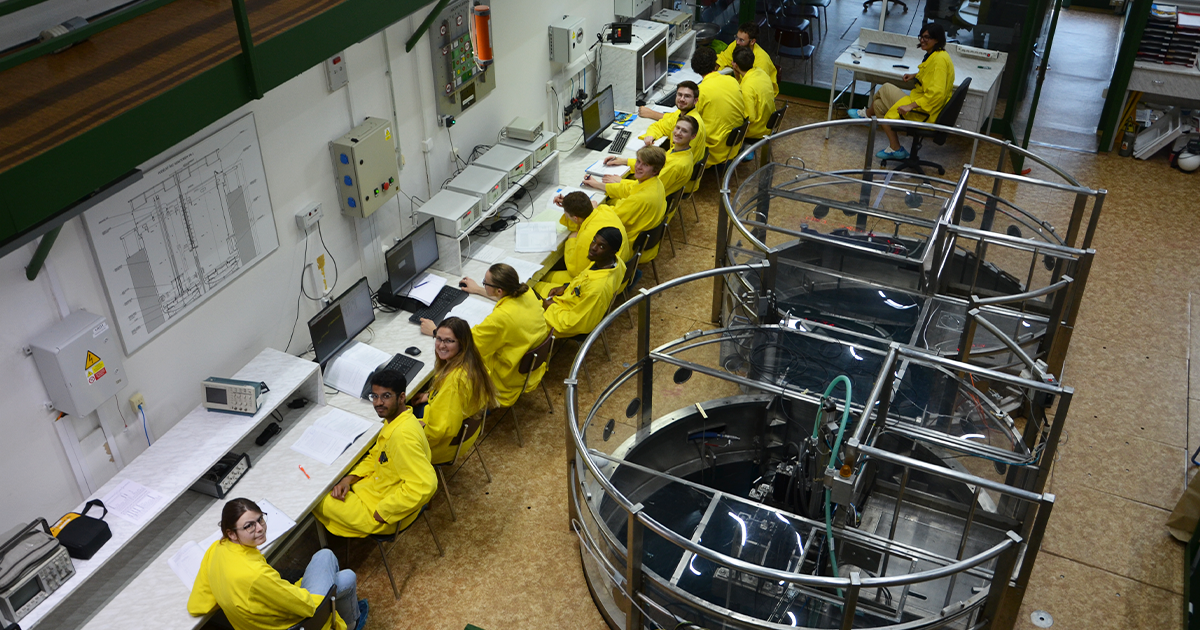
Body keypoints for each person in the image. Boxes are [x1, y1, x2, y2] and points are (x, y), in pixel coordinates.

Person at [189, 498, 366, 630]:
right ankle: (350, 626)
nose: (259, 528)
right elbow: (307, 606)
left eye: (260, 519)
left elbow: (198, 604)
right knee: (342, 572)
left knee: (330, 564)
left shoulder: (217, 549)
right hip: (295, 624)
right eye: (249, 526)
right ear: (232, 534)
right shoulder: (255, 575)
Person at [312, 370, 436, 539]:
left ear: (401, 397)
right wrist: (349, 479)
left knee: (316, 499)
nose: (378, 403)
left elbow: (425, 485)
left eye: (386, 396)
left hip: (382, 512)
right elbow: (377, 455)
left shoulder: (402, 437)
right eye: (374, 396)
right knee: (329, 488)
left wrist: (385, 511)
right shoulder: (397, 420)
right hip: (376, 490)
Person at [429, 264, 551, 408]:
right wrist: (478, 290)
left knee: (457, 363)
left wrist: (436, 332)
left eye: (485, 283)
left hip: (505, 380)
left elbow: (467, 344)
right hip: (530, 368)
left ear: (499, 290)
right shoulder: (527, 292)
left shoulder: (500, 319)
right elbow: (508, 299)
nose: (484, 284)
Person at [848, 24, 956, 161]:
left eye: (927, 37)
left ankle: (867, 116)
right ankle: (896, 148)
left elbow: (937, 94)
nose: (922, 40)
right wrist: (916, 75)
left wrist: (910, 106)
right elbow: (932, 75)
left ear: (937, 39)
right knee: (879, 106)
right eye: (921, 37)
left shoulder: (939, 61)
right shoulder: (937, 55)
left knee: (886, 87)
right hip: (925, 107)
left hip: (924, 113)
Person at [414, 317, 497, 464]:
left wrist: (411, 431)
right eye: (438, 338)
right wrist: (430, 396)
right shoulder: (473, 361)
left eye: (449, 341)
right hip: (466, 436)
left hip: (442, 446)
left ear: (462, 344)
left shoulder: (454, 381)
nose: (441, 345)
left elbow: (439, 431)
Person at [582, 146, 667, 263]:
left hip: (626, 246)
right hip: (642, 241)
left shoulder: (641, 198)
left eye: (645, 165)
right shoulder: (655, 183)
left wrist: (594, 208)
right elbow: (628, 188)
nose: (638, 167)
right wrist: (598, 184)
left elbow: (612, 217)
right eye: (638, 161)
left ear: (655, 170)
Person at [542, 228, 626, 338]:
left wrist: (551, 307)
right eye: (594, 240)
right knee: (533, 285)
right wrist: (565, 286)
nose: (593, 247)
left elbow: (572, 324)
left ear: (612, 253)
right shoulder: (611, 262)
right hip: (569, 297)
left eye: (601, 246)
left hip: (562, 318)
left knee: (523, 303)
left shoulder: (597, 288)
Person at [539, 191, 630, 290]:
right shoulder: (604, 209)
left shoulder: (588, 237)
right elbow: (582, 221)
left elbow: (574, 271)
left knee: (542, 277)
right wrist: (569, 204)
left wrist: (571, 240)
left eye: (567, 215)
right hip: (619, 271)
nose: (566, 217)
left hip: (604, 283)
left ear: (575, 218)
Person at [603, 115, 697, 196]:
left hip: (644, 200)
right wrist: (625, 161)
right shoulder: (680, 150)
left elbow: (649, 187)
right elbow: (653, 165)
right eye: (677, 128)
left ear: (693, 136)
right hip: (647, 192)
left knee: (604, 197)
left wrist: (620, 181)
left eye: (684, 131)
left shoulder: (676, 165)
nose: (678, 133)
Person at [690, 46, 746, 167]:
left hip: (713, 150)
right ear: (715, 64)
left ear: (695, 69)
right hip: (733, 145)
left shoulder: (701, 91)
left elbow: (684, 119)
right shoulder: (732, 81)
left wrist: (653, 114)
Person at [636, 81, 708, 166]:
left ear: (695, 101)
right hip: (673, 165)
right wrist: (651, 135)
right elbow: (660, 126)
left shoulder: (692, 124)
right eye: (679, 95)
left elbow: (676, 160)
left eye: (687, 96)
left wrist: (628, 161)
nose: (681, 99)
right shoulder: (681, 114)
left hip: (678, 172)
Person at [731, 46, 778, 168]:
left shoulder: (747, 88)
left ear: (734, 65)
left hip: (756, 131)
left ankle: (743, 150)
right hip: (768, 124)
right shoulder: (761, 73)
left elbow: (749, 118)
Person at [716, 23, 779, 96]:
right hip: (743, 86)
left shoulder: (761, 60)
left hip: (758, 94)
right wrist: (715, 66)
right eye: (736, 37)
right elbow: (724, 57)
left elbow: (757, 87)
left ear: (752, 41)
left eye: (741, 40)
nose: (737, 42)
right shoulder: (737, 45)